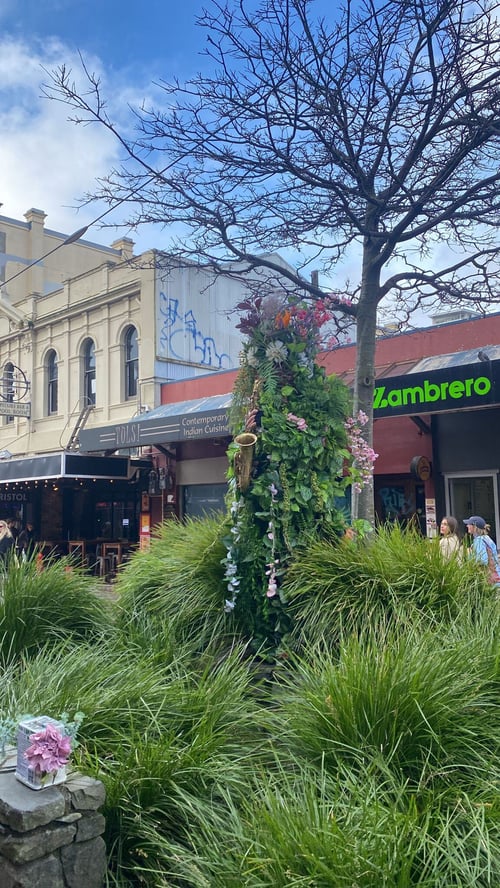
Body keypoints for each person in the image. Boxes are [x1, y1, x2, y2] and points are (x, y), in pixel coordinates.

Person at [463, 515, 500, 586]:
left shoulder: (479, 541)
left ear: (475, 527)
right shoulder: (487, 538)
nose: (467, 526)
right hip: (496, 577)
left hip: (488, 582)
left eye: (469, 524)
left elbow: (482, 561)